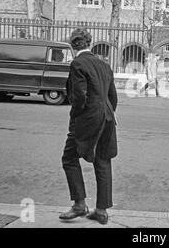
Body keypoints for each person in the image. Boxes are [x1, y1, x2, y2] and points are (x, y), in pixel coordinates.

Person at [59, 28, 118, 225]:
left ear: (72, 45)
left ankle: (79, 204)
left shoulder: (78, 63)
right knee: (103, 161)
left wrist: (75, 118)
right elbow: (113, 97)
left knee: (69, 158)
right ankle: (101, 210)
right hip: (107, 118)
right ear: (89, 43)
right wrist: (105, 113)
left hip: (87, 120)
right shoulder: (104, 65)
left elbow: (79, 97)